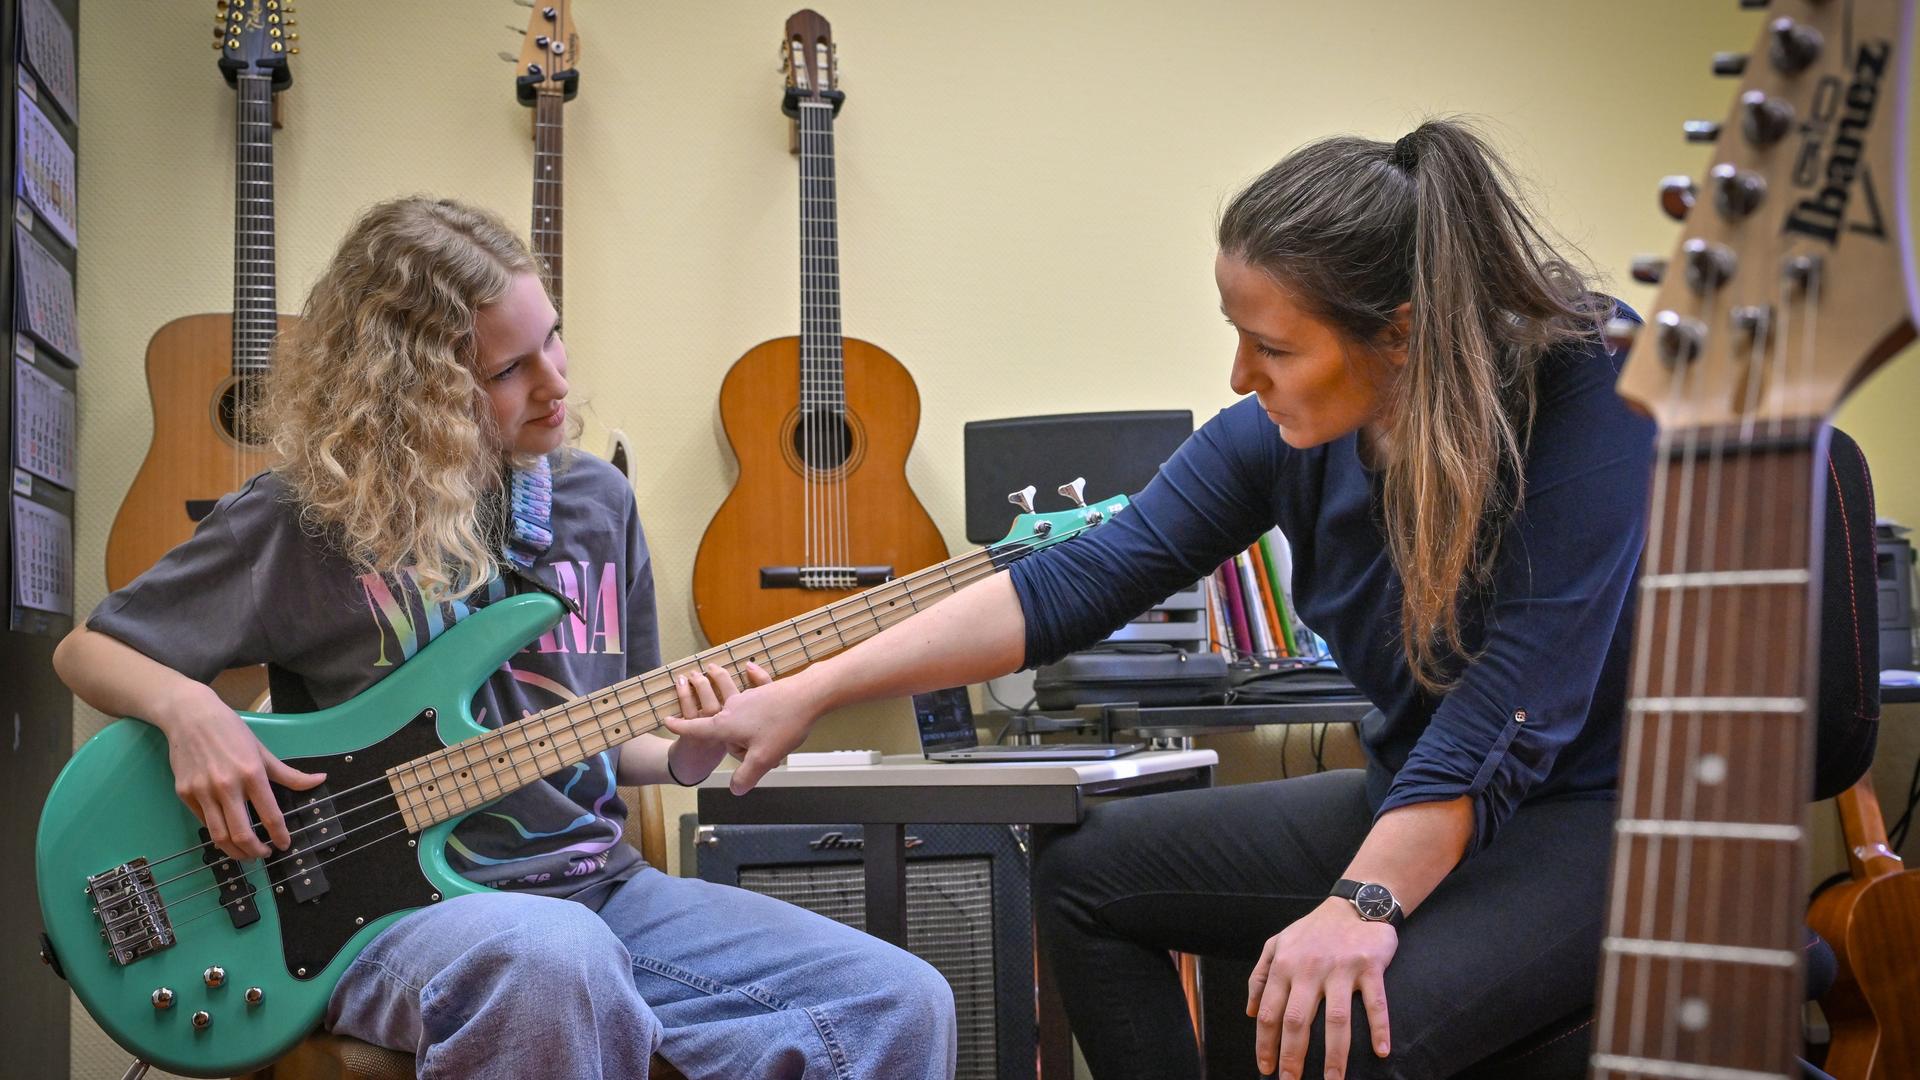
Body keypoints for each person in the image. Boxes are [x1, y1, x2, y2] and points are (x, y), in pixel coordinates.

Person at [667, 120, 1656, 1079]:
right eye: (1238, 338)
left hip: (1592, 819)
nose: (1239, 376)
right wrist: (812, 688)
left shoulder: (1580, 386)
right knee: (1086, 877)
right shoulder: (1275, 439)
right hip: (1409, 793)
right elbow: (1075, 578)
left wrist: (1360, 904)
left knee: (1345, 1027)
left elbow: (1508, 707)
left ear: (1397, 335)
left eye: (1271, 348)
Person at [53, 197, 956, 1080]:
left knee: (898, 1000)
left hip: (597, 888)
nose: (557, 380)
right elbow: (88, 649)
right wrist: (187, 711)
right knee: (553, 961)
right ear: (410, 395)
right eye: (510, 368)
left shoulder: (596, 503)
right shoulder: (303, 520)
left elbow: (614, 727)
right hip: (376, 916)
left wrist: (696, 746)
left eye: (552, 337)